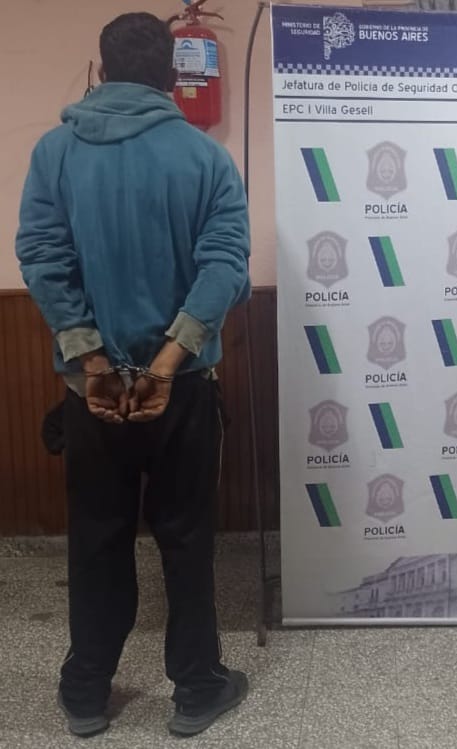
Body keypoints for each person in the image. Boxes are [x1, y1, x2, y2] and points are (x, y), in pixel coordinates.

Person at [15, 12, 251, 737]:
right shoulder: (206, 158)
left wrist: (92, 358)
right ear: (172, 76)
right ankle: (197, 688)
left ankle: (86, 691)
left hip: (91, 393)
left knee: (96, 538)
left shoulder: (54, 153)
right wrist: (168, 361)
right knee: (186, 538)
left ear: (100, 69)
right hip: (181, 390)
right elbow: (224, 267)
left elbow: (42, 256)